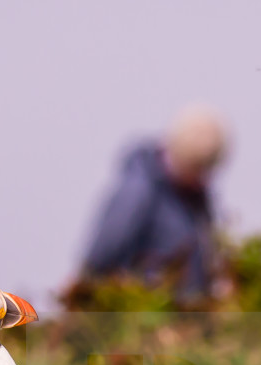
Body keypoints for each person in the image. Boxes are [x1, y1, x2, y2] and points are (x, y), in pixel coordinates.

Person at [80, 105, 229, 301]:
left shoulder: (195, 199)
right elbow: (100, 258)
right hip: (140, 314)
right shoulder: (138, 192)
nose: (202, 178)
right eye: (196, 167)